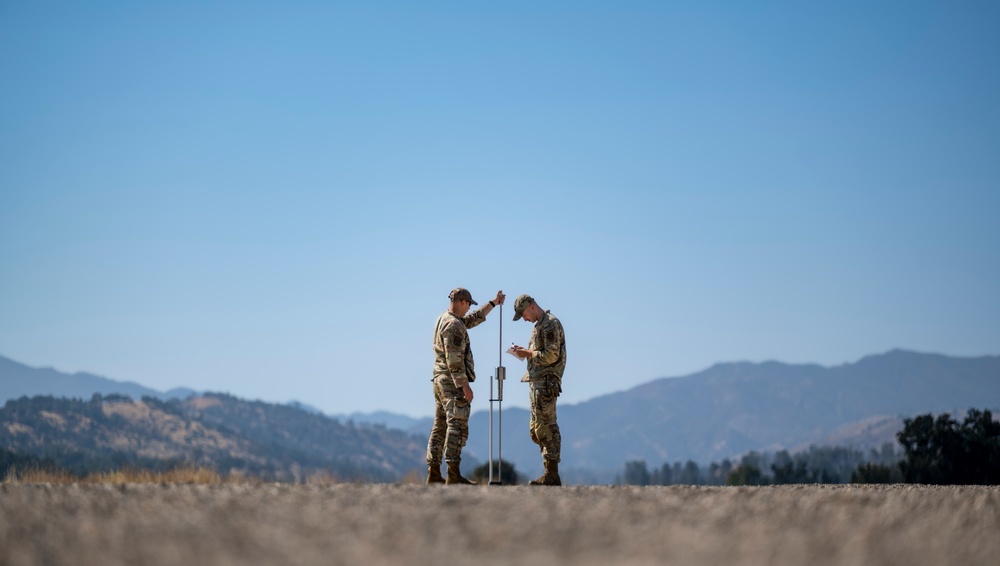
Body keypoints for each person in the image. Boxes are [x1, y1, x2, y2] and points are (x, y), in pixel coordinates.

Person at [426, 287, 506, 485]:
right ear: (462, 302)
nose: (469, 308)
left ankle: (433, 472)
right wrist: (464, 386)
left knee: (440, 426)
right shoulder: (454, 326)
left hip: (439, 379)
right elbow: (454, 360)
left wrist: (493, 303)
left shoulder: (444, 319)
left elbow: (472, 319)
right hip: (452, 381)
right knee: (457, 424)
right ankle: (453, 473)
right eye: (469, 304)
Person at [510, 294, 566, 485]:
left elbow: (551, 355)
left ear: (531, 306)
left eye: (523, 314)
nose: (524, 319)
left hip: (546, 383)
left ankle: (552, 474)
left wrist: (528, 353)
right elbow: (540, 353)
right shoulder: (540, 326)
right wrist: (525, 353)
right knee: (537, 429)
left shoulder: (550, 324)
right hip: (538, 382)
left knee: (546, 426)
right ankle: (549, 472)